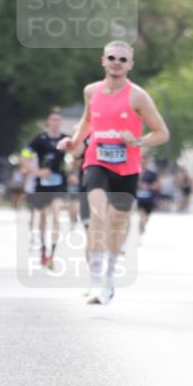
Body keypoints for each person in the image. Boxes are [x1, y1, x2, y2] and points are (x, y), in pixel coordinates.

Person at [59, 40, 169, 305]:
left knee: (117, 222)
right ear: (103, 61)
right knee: (99, 212)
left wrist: (138, 141)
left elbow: (162, 133)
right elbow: (88, 120)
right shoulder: (91, 91)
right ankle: (95, 281)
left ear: (130, 65)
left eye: (122, 59)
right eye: (112, 58)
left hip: (127, 168)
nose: (116, 63)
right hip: (96, 160)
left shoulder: (137, 96)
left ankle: (107, 278)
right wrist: (74, 141)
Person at [28, 108, 68, 269]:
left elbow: (76, 154)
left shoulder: (66, 139)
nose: (56, 123)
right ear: (48, 122)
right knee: (43, 217)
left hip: (59, 183)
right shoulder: (40, 138)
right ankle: (43, 250)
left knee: (56, 216)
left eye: (58, 120)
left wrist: (72, 167)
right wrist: (35, 170)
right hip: (42, 183)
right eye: (53, 120)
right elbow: (26, 152)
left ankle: (52, 253)